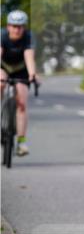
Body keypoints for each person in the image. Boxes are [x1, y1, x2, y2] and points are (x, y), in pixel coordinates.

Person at [1, 10, 39, 156]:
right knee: (0, 83)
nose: (17, 29)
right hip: (3, 67)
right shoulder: (2, 36)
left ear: (24, 27)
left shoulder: (28, 37)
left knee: (22, 103)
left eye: (20, 26)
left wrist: (32, 74)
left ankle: (21, 142)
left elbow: (29, 56)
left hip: (20, 70)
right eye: (14, 26)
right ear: (8, 26)